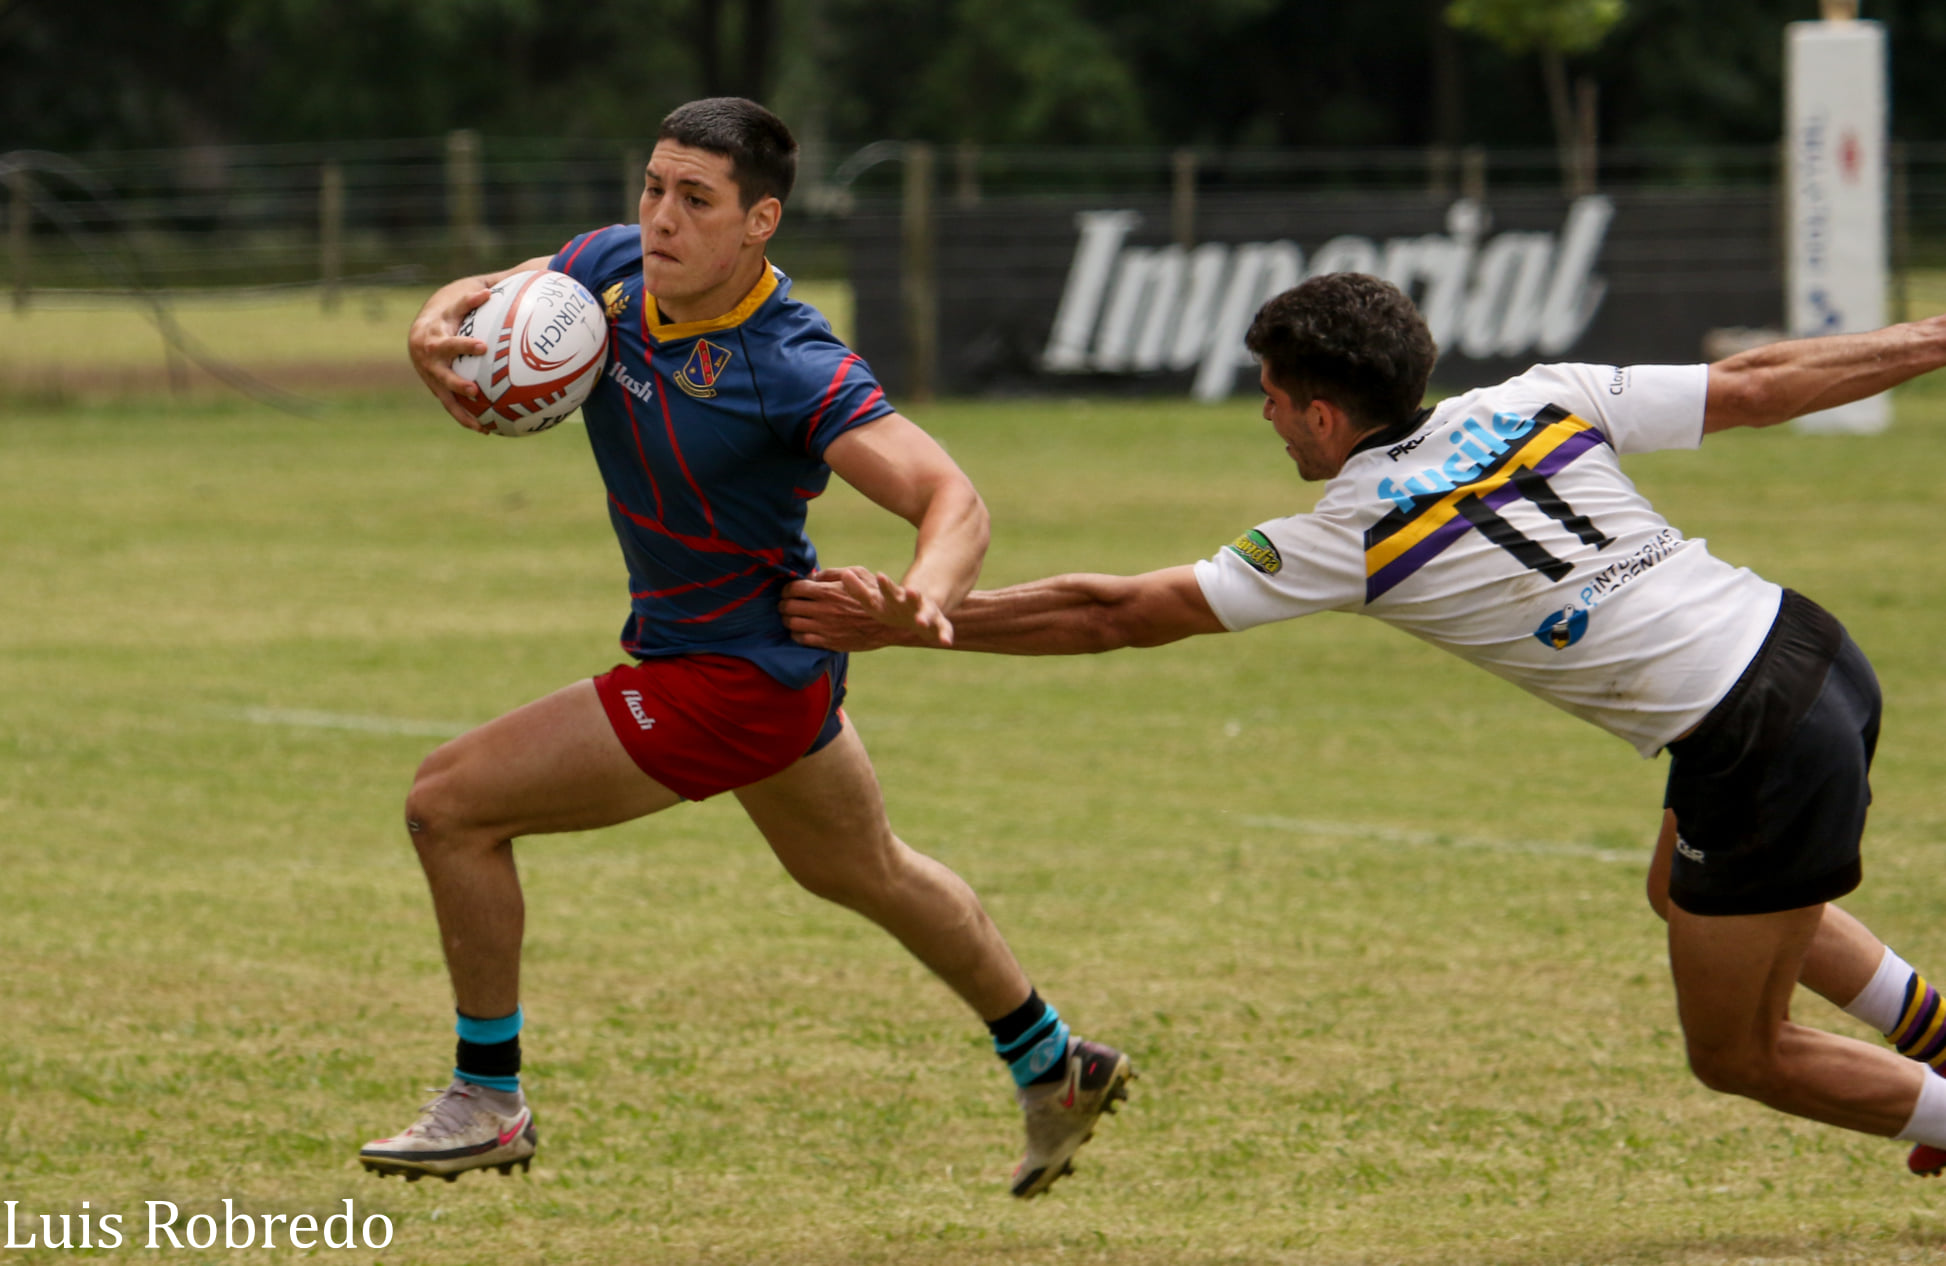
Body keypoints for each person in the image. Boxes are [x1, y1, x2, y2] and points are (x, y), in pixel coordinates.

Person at [783, 271, 1946, 1171]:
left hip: (1751, 741)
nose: (1270, 422)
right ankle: (1935, 1033)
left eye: (1275, 402)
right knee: (1680, 891)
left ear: (1328, 416)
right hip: (1808, 648)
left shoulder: (1350, 534)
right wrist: (1928, 336)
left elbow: (1111, 614)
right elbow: (1755, 386)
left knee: (1735, 1054)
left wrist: (918, 622)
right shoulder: (1538, 396)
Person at [357, 97, 1130, 1198]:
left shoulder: (791, 362)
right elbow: (491, 286)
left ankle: (488, 1099)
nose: (661, 218)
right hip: (758, 664)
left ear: (759, 221)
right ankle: (1055, 1062)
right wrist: (432, 320)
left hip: (730, 678)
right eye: (654, 188)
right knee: (865, 871)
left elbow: (949, 495)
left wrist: (922, 598)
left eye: (696, 201)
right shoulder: (614, 273)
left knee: (450, 802)